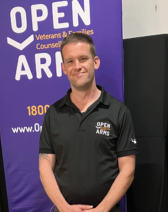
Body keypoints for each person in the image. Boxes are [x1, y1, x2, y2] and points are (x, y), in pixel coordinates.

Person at [39, 33, 137, 212]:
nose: (77, 66)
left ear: (95, 62)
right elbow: (45, 166)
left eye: (83, 59)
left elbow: (128, 169)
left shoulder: (118, 112)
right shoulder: (53, 114)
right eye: (70, 61)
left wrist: (101, 209)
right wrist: (64, 208)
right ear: (63, 68)